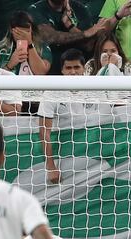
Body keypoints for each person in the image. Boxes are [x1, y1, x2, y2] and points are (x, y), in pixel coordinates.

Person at [38, 49, 88, 184]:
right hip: (64, 154)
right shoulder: (52, 91)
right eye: (69, 68)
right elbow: (44, 132)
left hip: (92, 151)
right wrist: (51, 167)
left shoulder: (96, 89)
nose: (73, 72)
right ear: (62, 70)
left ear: (84, 68)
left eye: (77, 67)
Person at [28, 0, 102, 73]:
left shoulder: (79, 8)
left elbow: (88, 45)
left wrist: (70, 26)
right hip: (51, 71)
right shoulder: (36, 9)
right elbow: (50, 37)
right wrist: (84, 34)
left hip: (78, 71)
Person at [0, 11, 53, 75]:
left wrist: (30, 45)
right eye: (19, 33)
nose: (23, 36)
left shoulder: (43, 47)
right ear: (11, 30)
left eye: (26, 32)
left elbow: (41, 73)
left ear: (31, 30)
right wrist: (9, 65)